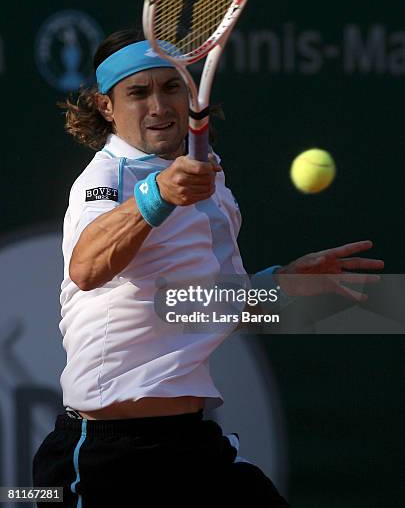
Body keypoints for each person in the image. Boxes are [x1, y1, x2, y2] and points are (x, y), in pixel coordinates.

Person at [32, 29, 383, 506]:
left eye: (171, 87)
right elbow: (87, 268)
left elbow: (196, 307)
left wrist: (281, 287)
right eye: (138, 92)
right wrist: (158, 193)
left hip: (193, 447)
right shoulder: (108, 175)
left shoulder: (209, 178)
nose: (158, 105)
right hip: (105, 456)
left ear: (190, 93)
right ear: (106, 106)